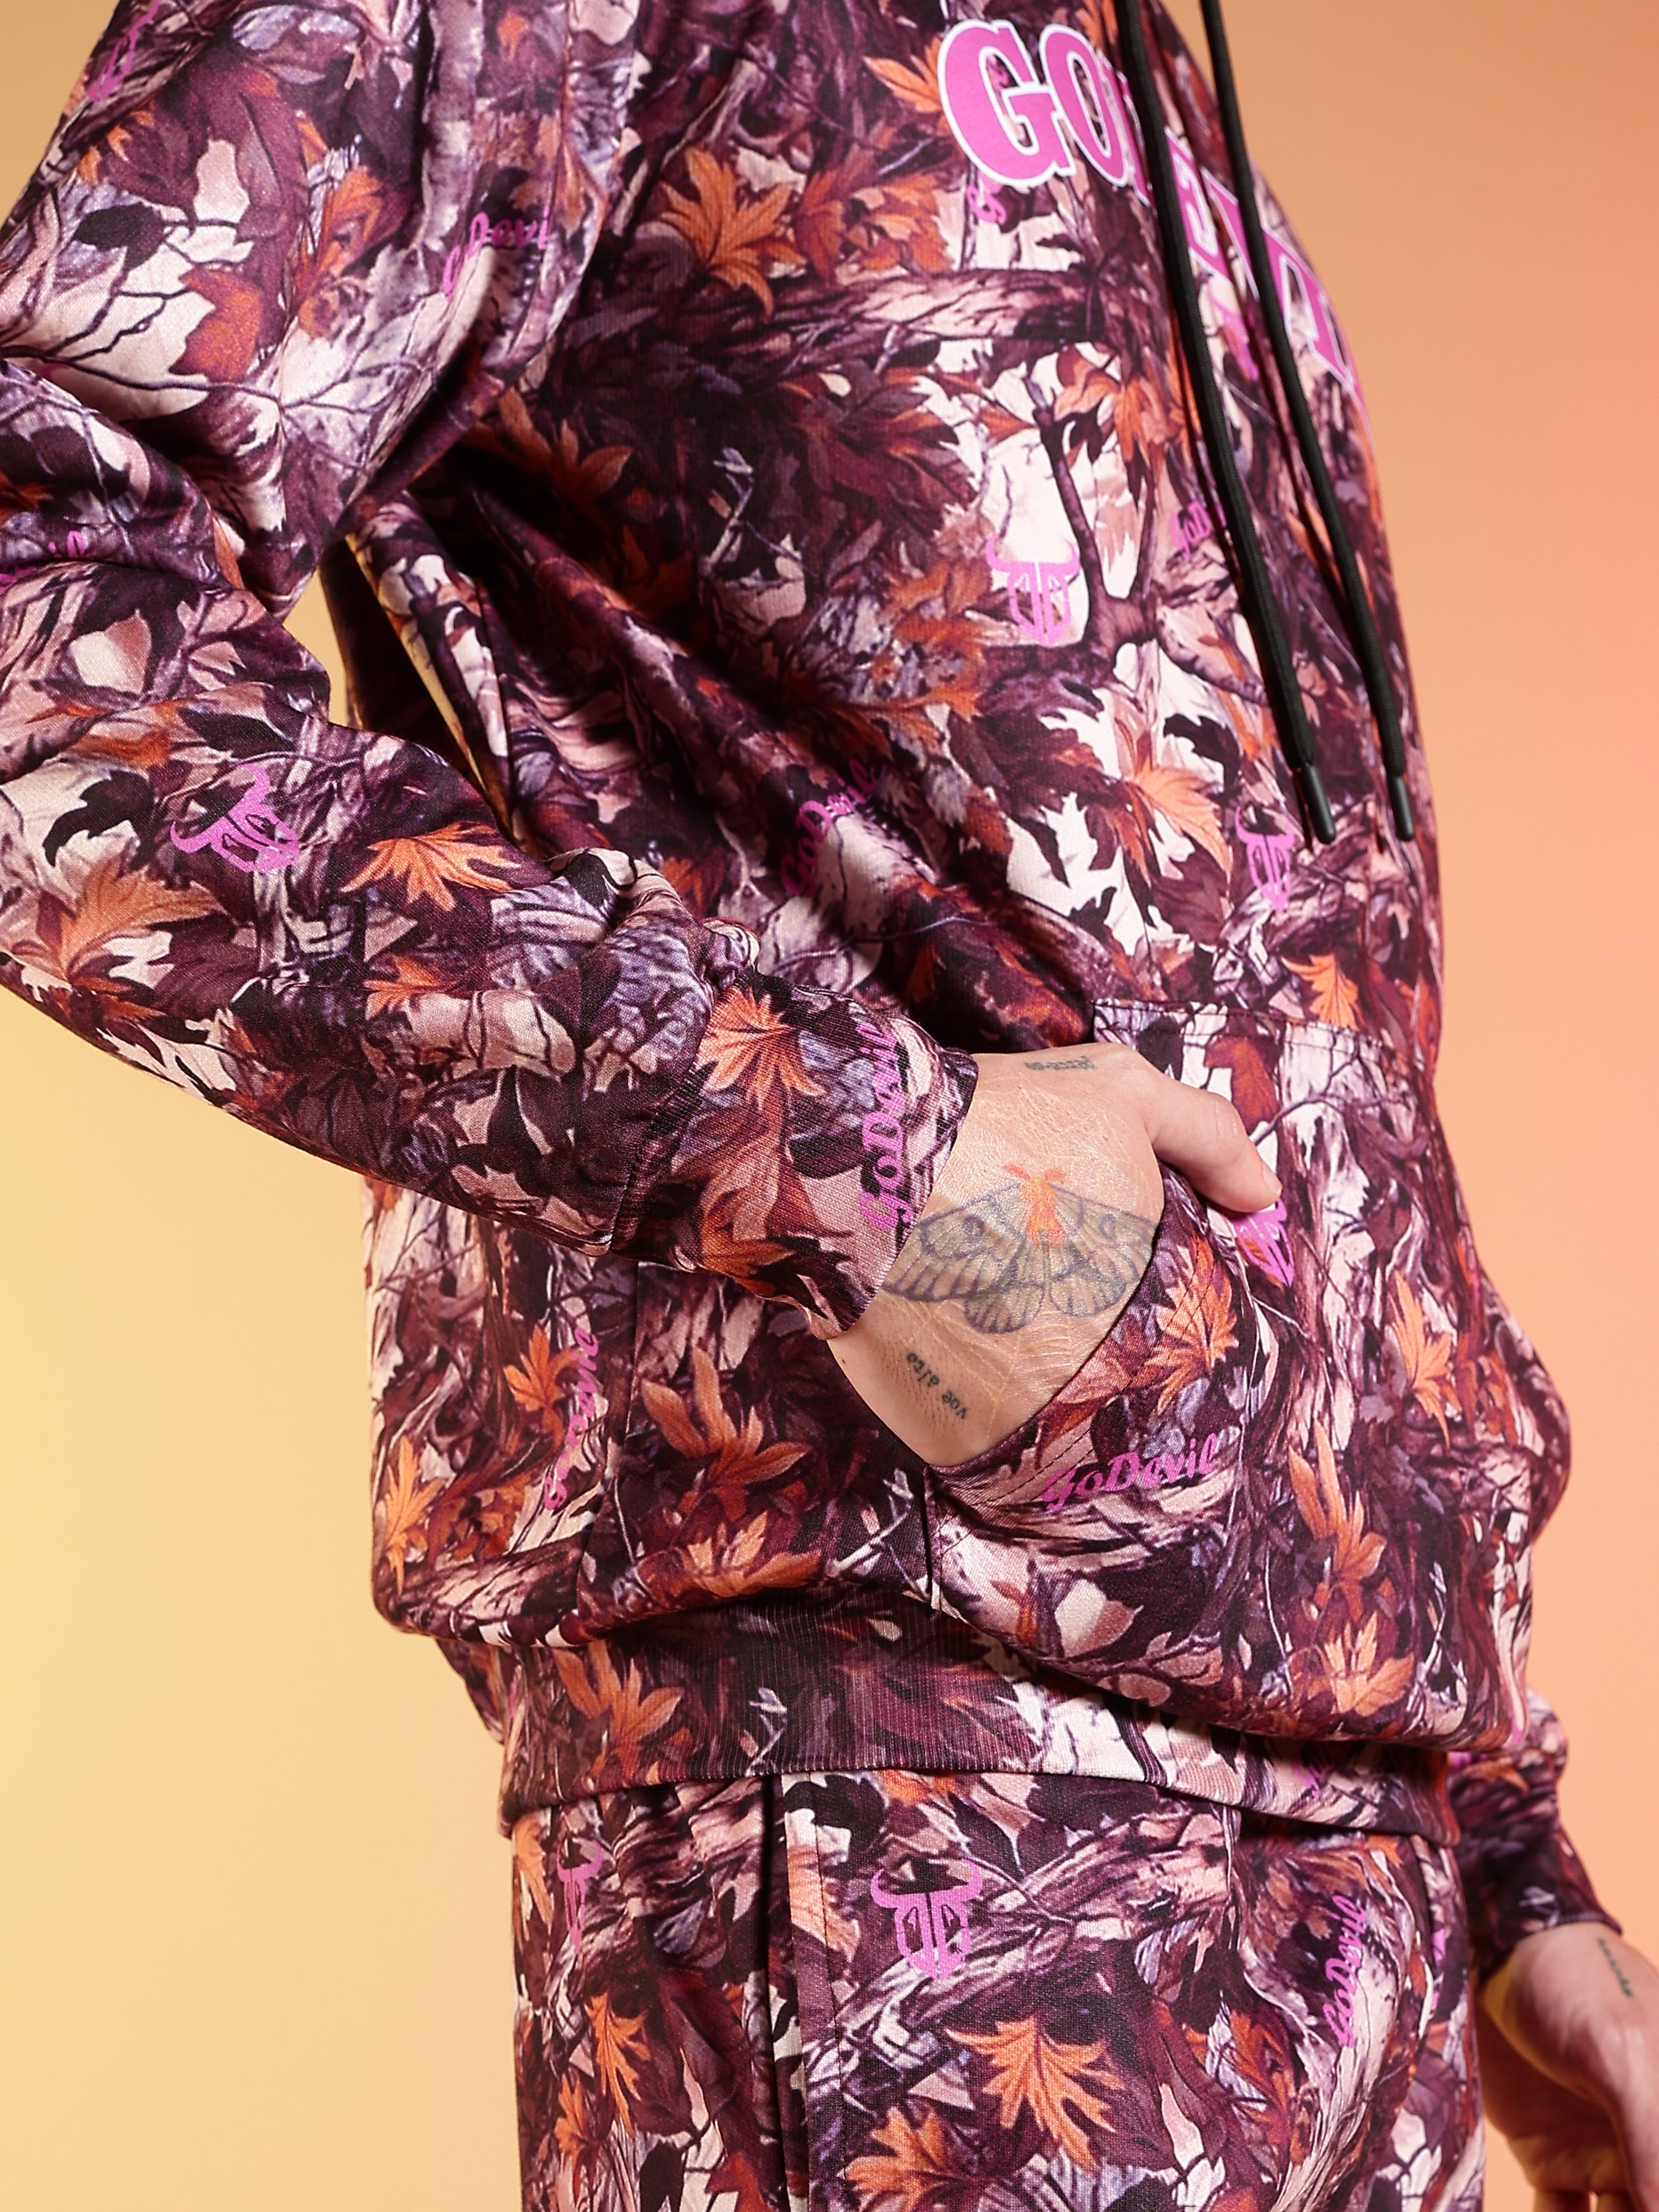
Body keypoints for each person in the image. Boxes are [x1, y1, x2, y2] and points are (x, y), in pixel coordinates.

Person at [1, 0, 1653, 2204]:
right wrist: (854, 1155)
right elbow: (36, 625)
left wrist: (1503, 1843)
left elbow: (1262, 983)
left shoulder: (1156, 83)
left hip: (1358, 1879)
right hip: (913, 1814)